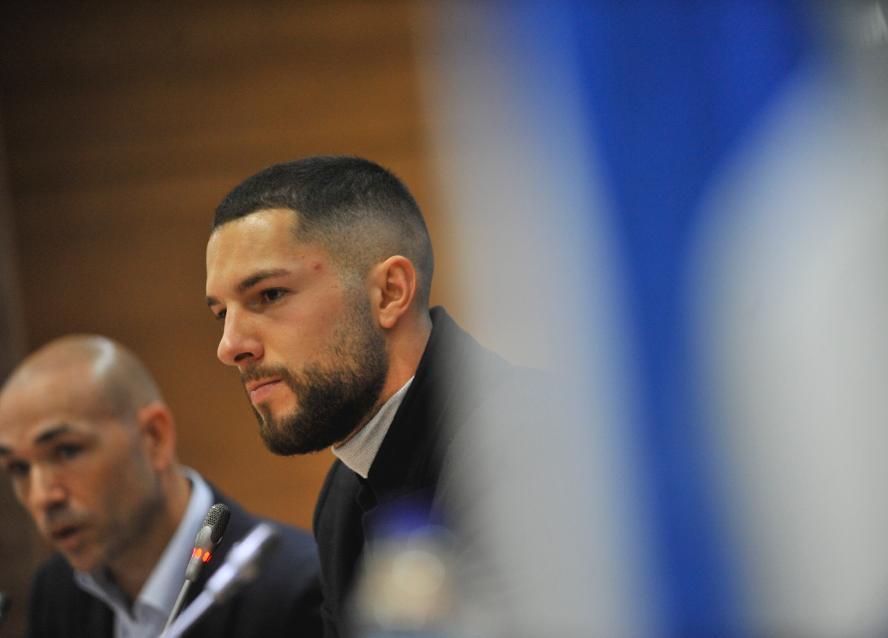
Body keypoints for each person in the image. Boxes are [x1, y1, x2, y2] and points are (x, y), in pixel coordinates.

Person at [205, 155, 538, 635]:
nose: (229, 346)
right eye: (222, 314)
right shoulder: (342, 500)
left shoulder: (530, 446)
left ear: (389, 292)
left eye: (270, 295)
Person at [0, 335, 323, 638]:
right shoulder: (57, 590)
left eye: (67, 451)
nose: (42, 496)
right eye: (19, 468)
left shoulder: (296, 589)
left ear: (154, 437)